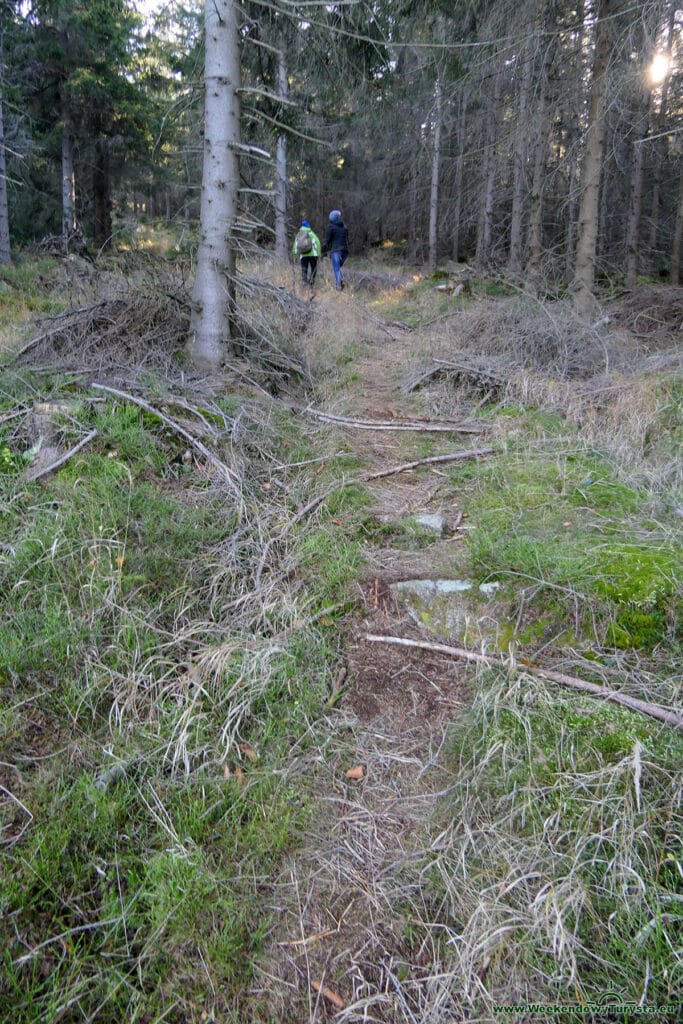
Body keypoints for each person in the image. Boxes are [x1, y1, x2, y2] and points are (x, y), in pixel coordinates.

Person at [323, 209, 349, 290]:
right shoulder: (344, 228)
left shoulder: (330, 227)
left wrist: (323, 251)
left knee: (336, 268)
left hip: (336, 251)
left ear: (331, 218)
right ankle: (341, 283)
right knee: (338, 267)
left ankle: (339, 286)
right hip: (345, 251)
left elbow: (327, 240)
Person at [293, 219, 321, 286]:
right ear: (308, 226)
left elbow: (295, 245)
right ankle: (312, 281)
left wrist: (295, 255)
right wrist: (319, 254)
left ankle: (304, 282)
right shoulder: (312, 234)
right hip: (313, 255)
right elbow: (318, 243)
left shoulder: (299, 235)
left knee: (304, 269)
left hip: (303, 255)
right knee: (314, 268)